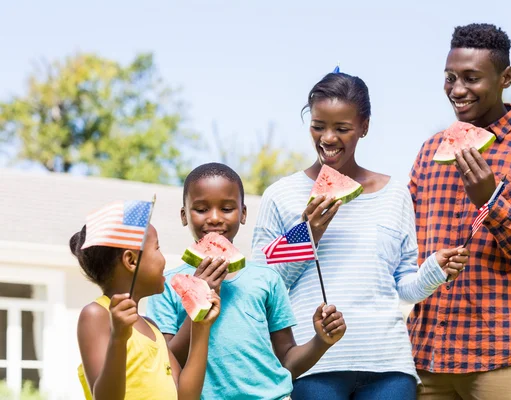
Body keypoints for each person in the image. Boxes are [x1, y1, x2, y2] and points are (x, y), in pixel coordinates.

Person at [251, 70, 470, 400]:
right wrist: (307, 234)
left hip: (388, 368)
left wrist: (434, 270)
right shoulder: (281, 195)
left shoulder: (395, 194)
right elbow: (263, 288)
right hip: (315, 366)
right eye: (318, 126)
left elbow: (405, 287)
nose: (328, 138)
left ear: (364, 127)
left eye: (342, 128)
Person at [407, 23, 511, 400]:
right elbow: (405, 245)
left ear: (505, 78)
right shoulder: (430, 151)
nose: (457, 89)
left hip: (501, 354)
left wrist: (492, 203)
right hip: (427, 354)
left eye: (471, 77)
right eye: (450, 77)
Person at [147, 162, 347, 400]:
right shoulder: (166, 285)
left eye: (227, 208)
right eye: (201, 209)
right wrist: (198, 299)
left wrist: (321, 342)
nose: (214, 218)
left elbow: (288, 362)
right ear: (184, 215)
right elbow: (167, 366)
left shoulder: (267, 279)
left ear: (243, 214)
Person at [73, 201, 220, 400]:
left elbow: (186, 397)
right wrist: (119, 339)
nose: (164, 259)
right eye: (157, 248)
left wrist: (201, 326)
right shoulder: (97, 315)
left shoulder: (152, 327)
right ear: (131, 261)